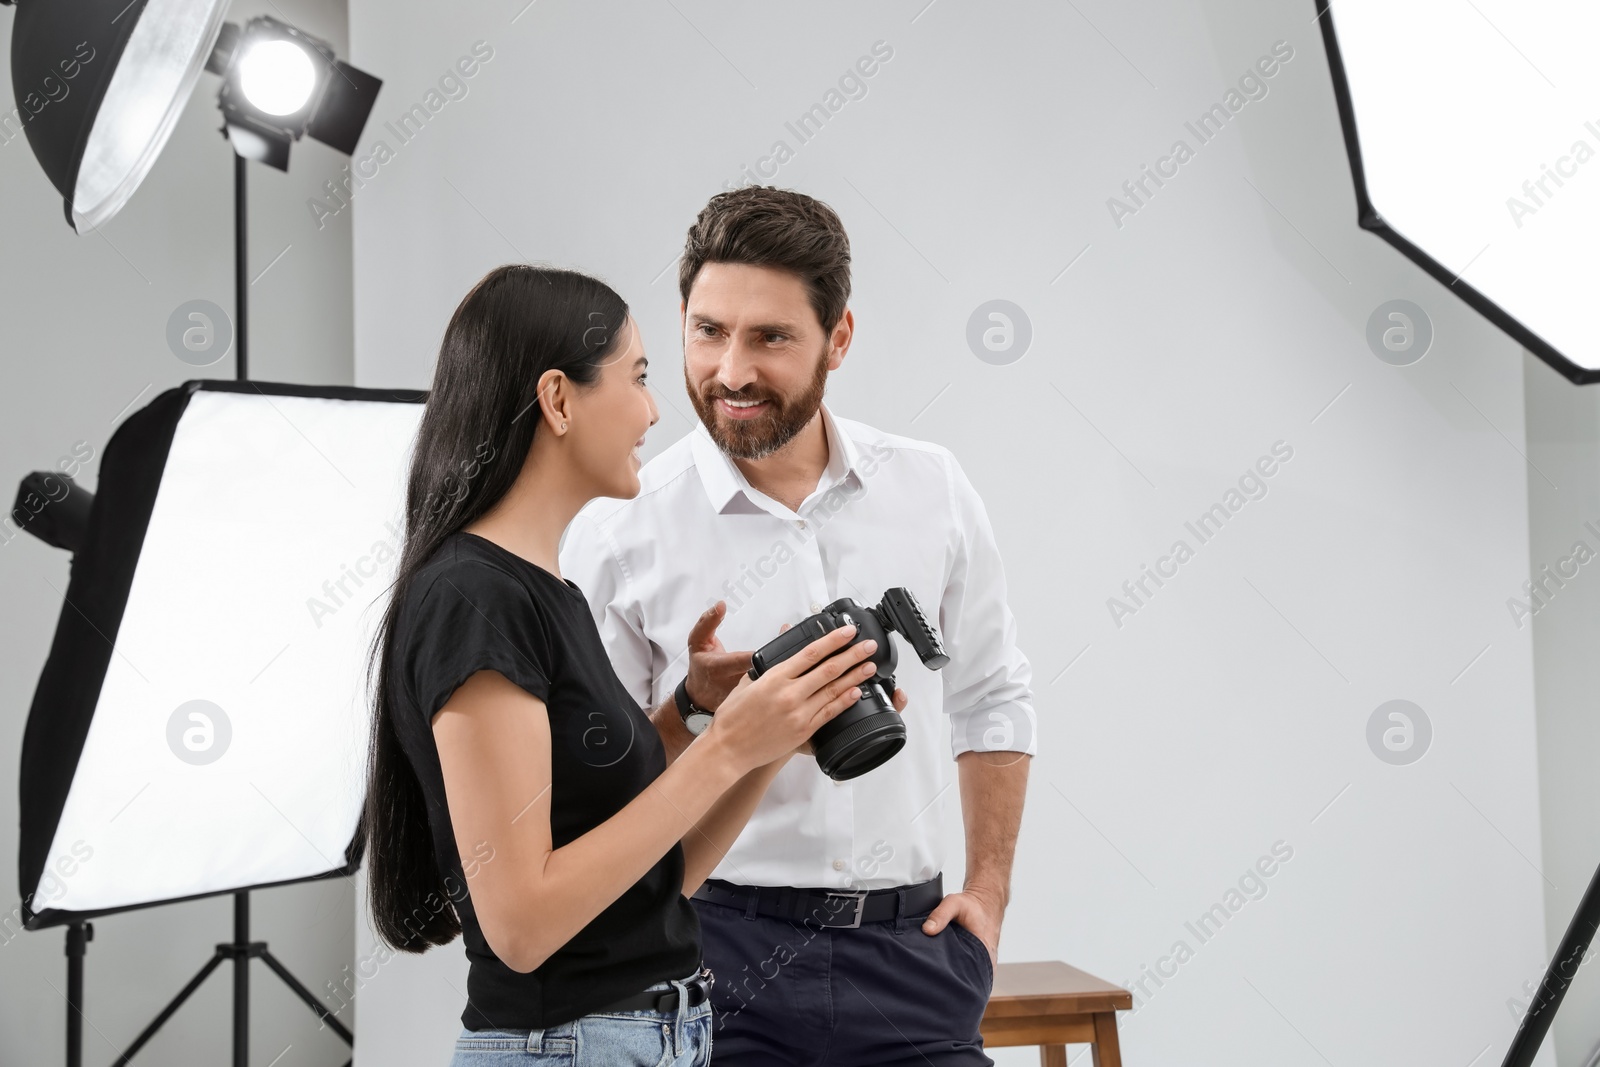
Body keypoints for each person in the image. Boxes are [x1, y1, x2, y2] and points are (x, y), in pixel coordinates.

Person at [359, 263, 903, 1066]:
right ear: (558, 399)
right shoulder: (474, 600)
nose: (654, 410)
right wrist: (722, 746)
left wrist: (747, 729)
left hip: (652, 1036)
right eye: (638, 376)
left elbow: (658, 878)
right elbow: (521, 924)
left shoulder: (551, 594)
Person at [560, 186, 1037, 1066]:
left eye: (771, 337)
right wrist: (701, 711)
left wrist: (990, 893)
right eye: (708, 331)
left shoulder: (930, 487)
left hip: (914, 954)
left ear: (839, 338)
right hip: (715, 952)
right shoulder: (617, 529)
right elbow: (594, 799)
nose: (731, 370)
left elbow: (992, 696)